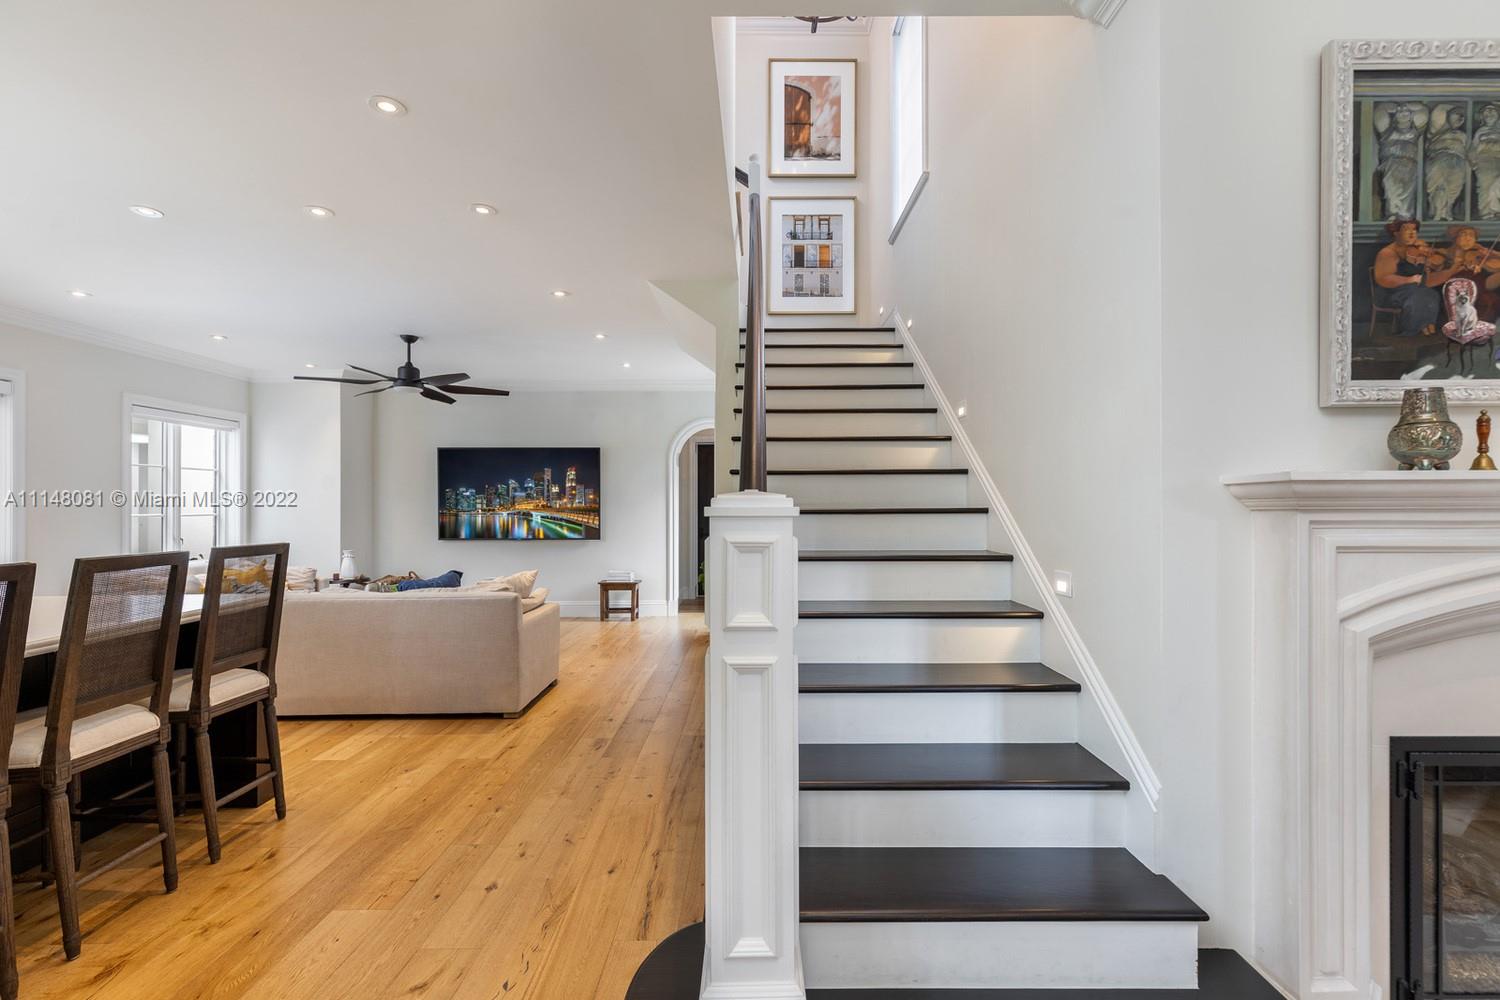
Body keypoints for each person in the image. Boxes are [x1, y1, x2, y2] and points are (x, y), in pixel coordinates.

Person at [1373, 218, 1446, 336]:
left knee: (1431, 293)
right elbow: (1384, 278)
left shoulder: (1416, 250)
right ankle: (1413, 330)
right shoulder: (1387, 253)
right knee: (1419, 294)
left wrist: (1429, 259)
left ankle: (1429, 325)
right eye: (1407, 230)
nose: (1412, 233)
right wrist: (1409, 280)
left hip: (1414, 289)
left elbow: (1437, 266)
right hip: (1391, 293)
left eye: (1414, 230)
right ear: (1396, 233)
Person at [1441, 225, 1500, 322]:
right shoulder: (1447, 252)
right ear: (1455, 238)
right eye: (1463, 234)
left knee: (1491, 299)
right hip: (1457, 288)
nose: (1468, 238)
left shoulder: (1478, 253)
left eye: (1471, 236)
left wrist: (1493, 253)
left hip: (1480, 285)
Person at [1426, 105, 1470, 222]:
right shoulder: (1438, 133)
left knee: (1453, 188)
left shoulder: (1464, 135)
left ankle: (1447, 210)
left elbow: (1469, 150)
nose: (1460, 118)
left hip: (1458, 162)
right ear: (1448, 117)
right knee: (1438, 187)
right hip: (1440, 159)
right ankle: (1437, 212)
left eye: (1462, 116)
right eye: (1456, 115)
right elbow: (1429, 148)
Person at [1474, 103, 1500, 219]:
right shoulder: (1480, 131)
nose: (1489, 114)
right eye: (1486, 112)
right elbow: (1473, 148)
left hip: (1498, 160)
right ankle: (1486, 212)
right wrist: (1473, 161)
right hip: (1484, 161)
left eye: (1492, 111)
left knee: (1496, 185)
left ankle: (1496, 208)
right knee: (1485, 185)